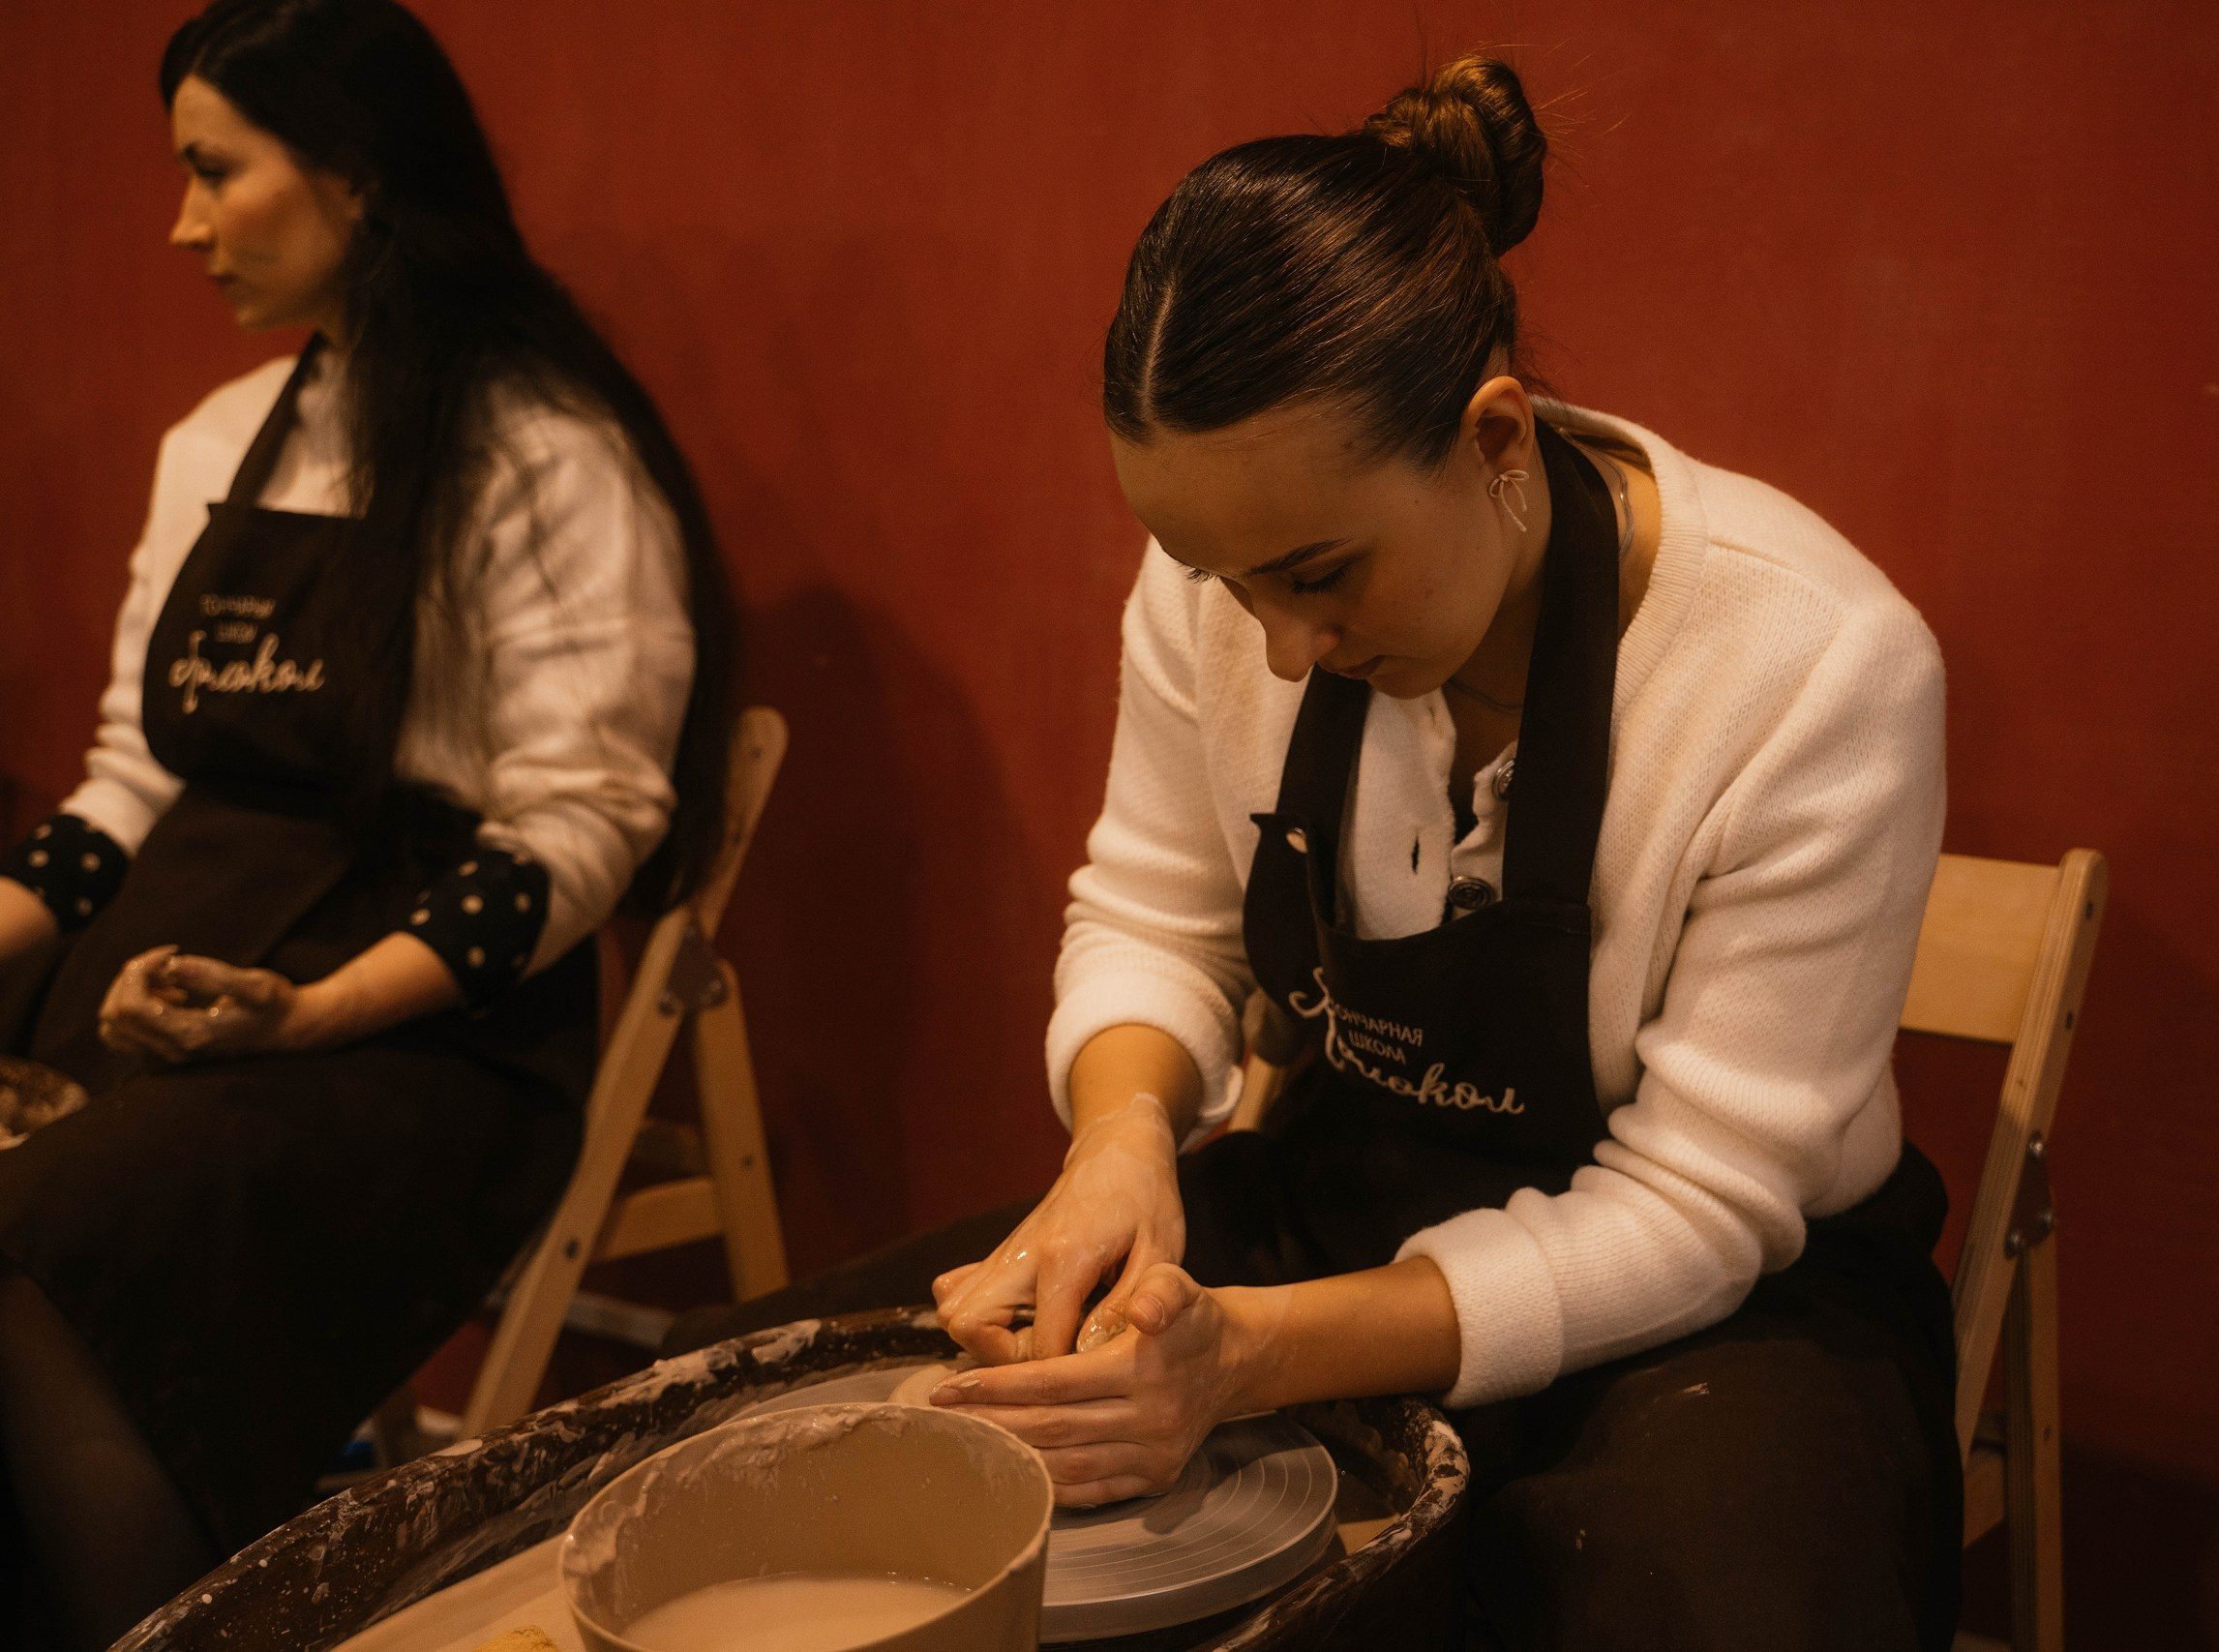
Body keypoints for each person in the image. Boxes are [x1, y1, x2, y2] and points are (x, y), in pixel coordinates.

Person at [667, 54, 1957, 1650]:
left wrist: (1246, 1360)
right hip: (1350, 1195)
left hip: (1729, 1310)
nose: (1276, 649)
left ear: (1496, 437)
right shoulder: (1231, 585)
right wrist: (1119, 1143)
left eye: (1322, 577)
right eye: (1219, 581)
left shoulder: (1810, 666)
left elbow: (1701, 1207)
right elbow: (1155, 916)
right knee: (749, 1417)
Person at [0, 2, 735, 1644]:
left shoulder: (544, 453)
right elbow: (128, 782)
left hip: (421, 1035)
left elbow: (582, 825)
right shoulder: (214, 442)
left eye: (214, 172)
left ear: (354, 178)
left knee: (36, 1232)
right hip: (172, 959)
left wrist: (310, 1012)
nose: (180, 224)